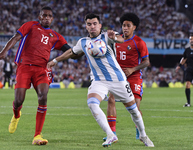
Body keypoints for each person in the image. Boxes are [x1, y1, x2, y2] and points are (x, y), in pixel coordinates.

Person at [47, 13, 154, 147]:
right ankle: (110, 134)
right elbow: (71, 52)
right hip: (99, 80)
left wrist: (114, 36)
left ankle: (143, 135)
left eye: (95, 24)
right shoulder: (83, 42)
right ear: (86, 26)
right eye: (89, 24)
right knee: (92, 103)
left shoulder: (107, 36)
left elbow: (121, 39)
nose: (92, 26)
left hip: (118, 79)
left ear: (100, 25)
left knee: (133, 110)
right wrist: (55, 60)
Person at [0, 6, 72, 145]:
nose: (46, 17)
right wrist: (3, 52)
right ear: (39, 17)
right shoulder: (31, 26)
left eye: (49, 16)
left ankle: (37, 135)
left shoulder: (55, 36)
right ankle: (16, 114)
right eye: (44, 15)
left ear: (52, 19)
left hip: (41, 69)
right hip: (24, 66)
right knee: (19, 100)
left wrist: (83, 49)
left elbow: (70, 51)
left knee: (43, 96)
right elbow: (15, 38)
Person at [103, 12, 150, 141]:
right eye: (124, 25)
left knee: (134, 107)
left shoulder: (139, 42)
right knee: (111, 100)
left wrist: (132, 69)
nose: (125, 28)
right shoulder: (115, 39)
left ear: (134, 27)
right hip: (118, 77)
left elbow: (147, 62)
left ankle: (139, 131)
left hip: (134, 76)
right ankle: (112, 133)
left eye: (128, 25)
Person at [176, 34, 193, 107]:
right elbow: (184, 58)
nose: (191, 40)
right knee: (187, 84)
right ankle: (188, 103)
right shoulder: (187, 50)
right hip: (189, 69)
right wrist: (179, 66)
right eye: (190, 39)